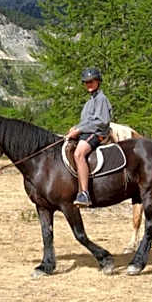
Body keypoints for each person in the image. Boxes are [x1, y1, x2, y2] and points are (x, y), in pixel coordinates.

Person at [65, 67, 112, 207]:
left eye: (91, 81)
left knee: (79, 154)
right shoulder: (89, 102)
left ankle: (84, 193)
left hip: (97, 133)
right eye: (86, 82)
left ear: (98, 82)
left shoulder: (101, 99)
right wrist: (75, 128)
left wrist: (79, 130)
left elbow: (101, 122)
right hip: (87, 132)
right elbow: (86, 122)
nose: (89, 84)